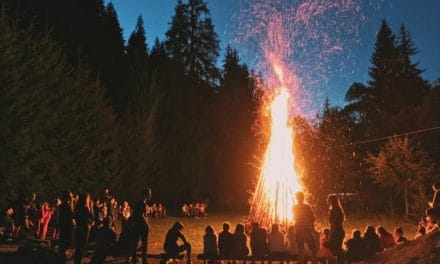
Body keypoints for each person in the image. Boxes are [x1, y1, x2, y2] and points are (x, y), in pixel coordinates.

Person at [293, 191, 317, 264]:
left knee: (301, 248)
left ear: (296, 198)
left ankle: (300, 261)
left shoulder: (294, 208)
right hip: (306, 230)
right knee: (314, 248)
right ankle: (313, 262)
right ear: (303, 198)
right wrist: (311, 226)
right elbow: (312, 218)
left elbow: (295, 218)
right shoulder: (307, 207)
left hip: (298, 230)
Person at [131, 188, 152, 264]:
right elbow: (142, 216)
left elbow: (134, 215)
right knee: (144, 242)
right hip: (142, 226)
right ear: (146, 195)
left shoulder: (138, 203)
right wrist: (147, 224)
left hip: (137, 225)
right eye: (149, 193)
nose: (151, 195)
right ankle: (144, 259)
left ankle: (134, 257)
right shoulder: (143, 204)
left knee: (136, 241)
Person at [324, 194, 345, 264]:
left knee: (332, 251)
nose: (327, 201)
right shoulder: (339, 209)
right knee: (338, 251)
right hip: (340, 231)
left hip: (336, 233)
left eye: (328, 199)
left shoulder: (333, 211)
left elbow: (333, 225)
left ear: (331, 201)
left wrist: (330, 236)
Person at [74, 192, 94, 264]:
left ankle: (76, 261)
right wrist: (90, 207)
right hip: (84, 228)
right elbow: (91, 217)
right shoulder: (85, 208)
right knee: (82, 246)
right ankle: (78, 261)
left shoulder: (77, 207)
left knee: (78, 247)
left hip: (78, 228)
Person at [58, 191, 75, 260]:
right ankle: (63, 257)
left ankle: (61, 256)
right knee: (66, 242)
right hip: (67, 227)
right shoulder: (67, 206)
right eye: (71, 197)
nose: (72, 198)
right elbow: (72, 215)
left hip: (64, 226)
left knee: (63, 242)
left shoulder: (62, 205)